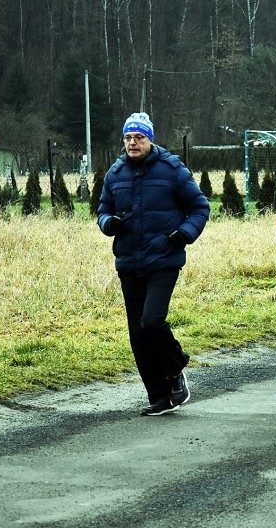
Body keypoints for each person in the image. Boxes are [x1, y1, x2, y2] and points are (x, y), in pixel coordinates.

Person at [98, 112, 210, 416]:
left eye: (139, 137)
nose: (133, 143)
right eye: (128, 138)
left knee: (151, 322)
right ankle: (159, 397)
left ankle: (175, 369)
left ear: (150, 139)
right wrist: (109, 223)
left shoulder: (172, 169)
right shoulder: (115, 173)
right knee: (138, 335)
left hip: (163, 259)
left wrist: (183, 235)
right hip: (129, 262)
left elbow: (200, 207)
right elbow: (103, 210)